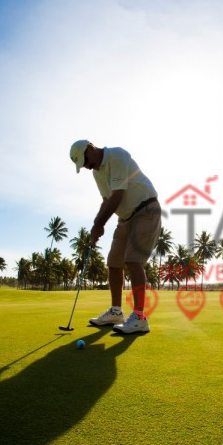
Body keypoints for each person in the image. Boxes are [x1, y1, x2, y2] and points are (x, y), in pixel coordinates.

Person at [69, 140, 161, 334]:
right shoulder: (97, 173)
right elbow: (107, 201)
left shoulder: (117, 155)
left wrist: (99, 225)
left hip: (146, 209)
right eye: (83, 165)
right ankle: (116, 312)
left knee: (133, 260)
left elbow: (118, 195)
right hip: (125, 218)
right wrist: (96, 223)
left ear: (91, 148)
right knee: (113, 262)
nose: (87, 166)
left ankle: (139, 318)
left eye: (86, 160)